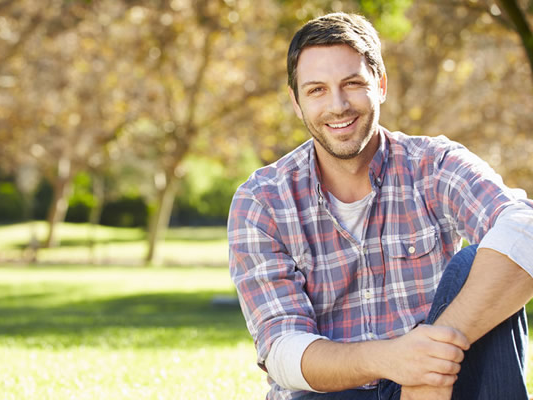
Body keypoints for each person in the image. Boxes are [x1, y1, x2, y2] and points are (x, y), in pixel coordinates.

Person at [227, 12, 533, 400]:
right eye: (317, 90)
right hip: (328, 393)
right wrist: (393, 358)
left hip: (440, 382)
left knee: (482, 262)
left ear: (381, 84)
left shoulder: (433, 165)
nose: (337, 106)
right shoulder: (262, 201)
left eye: (352, 83)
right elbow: (282, 351)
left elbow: (526, 228)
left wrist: (426, 366)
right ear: (296, 101)